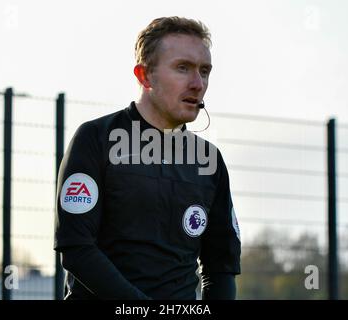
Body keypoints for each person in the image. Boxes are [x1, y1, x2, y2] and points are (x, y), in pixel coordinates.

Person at [54, 16, 241, 300]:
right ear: (144, 76)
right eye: (183, 68)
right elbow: (77, 250)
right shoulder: (95, 139)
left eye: (204, 71)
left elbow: (220, 267)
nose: (197, 83)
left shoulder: (208, 159)